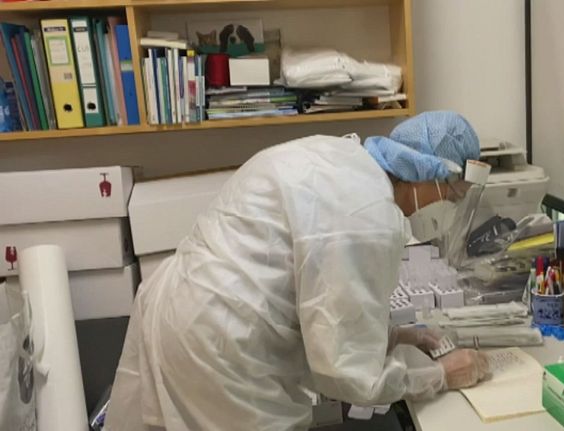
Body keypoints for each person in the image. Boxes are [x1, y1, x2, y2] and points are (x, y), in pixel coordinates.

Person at [106, 111, 490, 431]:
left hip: (179, 304)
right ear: (430, 174)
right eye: (452, 195)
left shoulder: (344, 158)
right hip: (224, 342)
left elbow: (308, 286)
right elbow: (349, 374)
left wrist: (393, 335)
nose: (449, 207)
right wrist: (440, 376)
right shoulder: (369, 217)